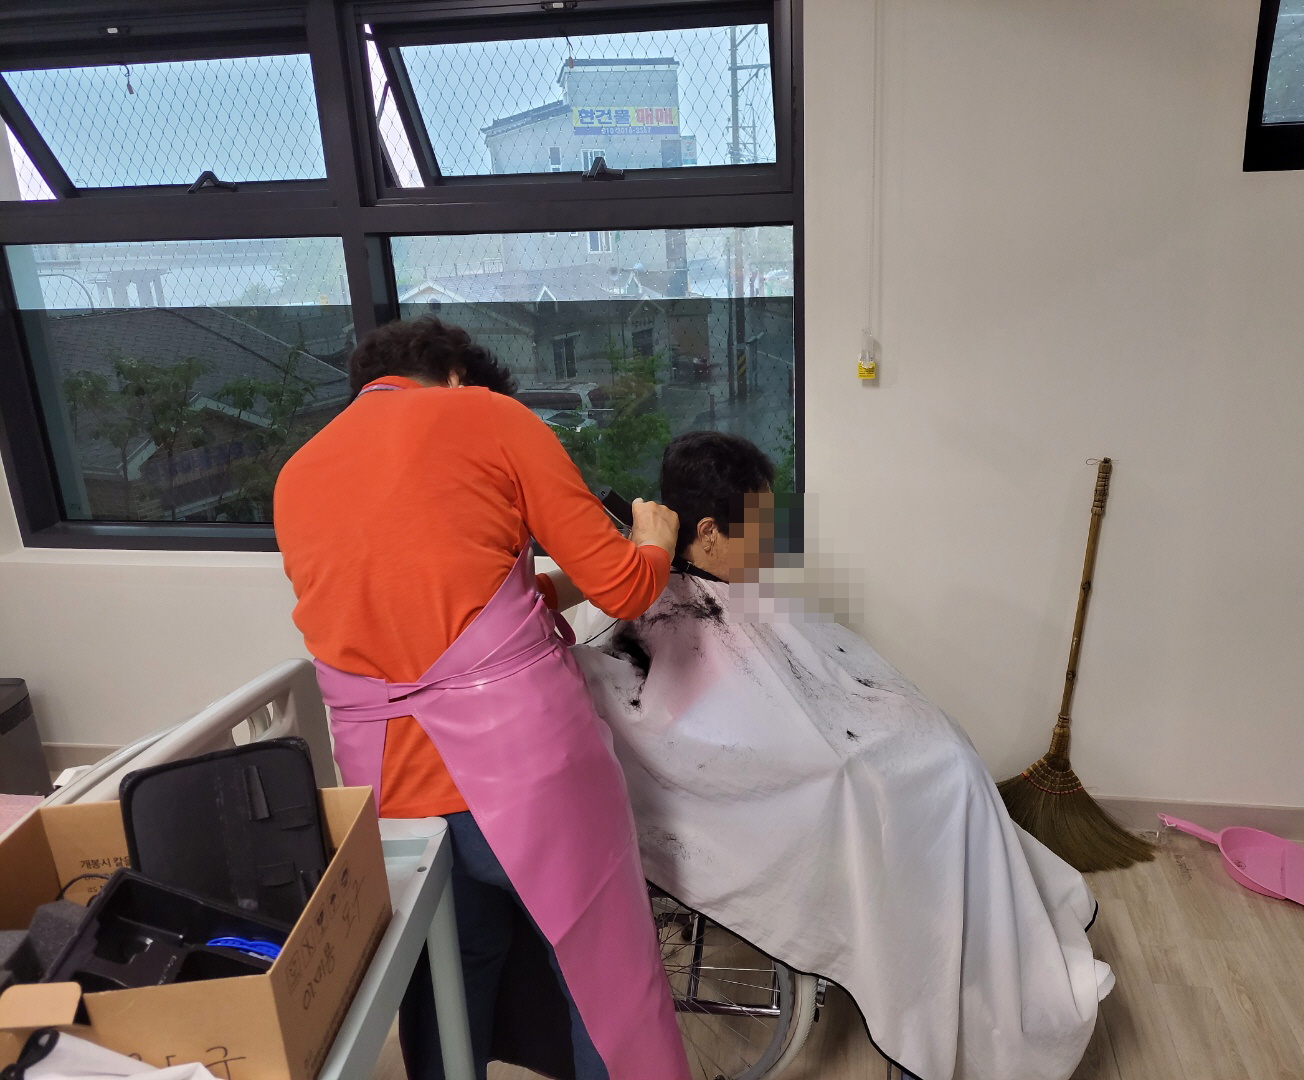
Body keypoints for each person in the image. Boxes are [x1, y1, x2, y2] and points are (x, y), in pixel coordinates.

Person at [570, 431, 1114, 1080]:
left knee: (949, 765)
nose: (770, 544)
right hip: (815, 771)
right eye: (760, 528)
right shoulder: (664, 617)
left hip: (851, 742)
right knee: (929, 778)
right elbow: (708, 735)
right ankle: (943, 959)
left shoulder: (724, 597)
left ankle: (974, 934)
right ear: (709, 533)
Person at [272, 316, 691, 1080]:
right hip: (526, 772)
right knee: (601, 975)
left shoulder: (298, 473)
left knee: (447, 980)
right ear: (459, 378)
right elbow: (625, 587)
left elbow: (451, 612)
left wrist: (547, 588)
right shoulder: (487, 417)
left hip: (390, 787)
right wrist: (655, 538)